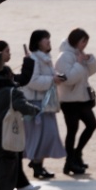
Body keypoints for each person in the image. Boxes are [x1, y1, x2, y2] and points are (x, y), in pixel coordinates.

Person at [17, 29, 67, 180]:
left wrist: (54, 78)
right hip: (35, 102)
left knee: (47, 135)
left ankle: (38, 164)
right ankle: (37, 165)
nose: (49, 41)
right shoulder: (34, 59)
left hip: (45, 102)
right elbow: (32, 81)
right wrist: (53, 80)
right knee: (39, 136)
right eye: (46, 39)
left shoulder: (45, 58)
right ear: (38, 41)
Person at [55, 28, 96, 176]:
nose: (85, 44)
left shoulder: (78, 54)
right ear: (76, 41)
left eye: (86, 41)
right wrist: (79, 64)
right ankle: (70, 162)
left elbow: (90, 72)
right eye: (83, 41)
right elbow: (68, 80)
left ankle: (76, 154)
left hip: (83, 98)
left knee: (92, 125)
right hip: (69, 100)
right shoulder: (64, 56)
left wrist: (90, 60)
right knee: (72, 130)